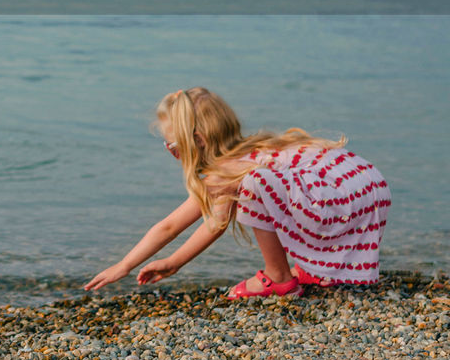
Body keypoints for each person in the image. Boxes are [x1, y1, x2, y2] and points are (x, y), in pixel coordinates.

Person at [85, 87, 390, 299]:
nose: (173, 154)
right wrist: (174, 262)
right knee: (263, 186)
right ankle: (313, 269)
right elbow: (214, 221)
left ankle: (279, 278)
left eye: (173, 147)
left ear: (197, 141)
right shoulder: (258, 150)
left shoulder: (233, 172)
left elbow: (173, 225)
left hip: (339, 198)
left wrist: (125, 265)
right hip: (364, 187)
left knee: (256, 185)